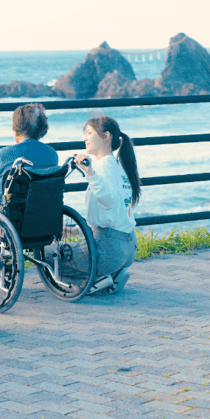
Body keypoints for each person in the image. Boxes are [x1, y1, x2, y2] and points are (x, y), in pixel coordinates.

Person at [73, 116, 141, 294]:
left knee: (51, 258)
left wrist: (89, 173)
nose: (84, 138)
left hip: (109, 249)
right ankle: (113, 273)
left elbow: (108, 201)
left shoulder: (102, 168)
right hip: (127, 246)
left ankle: (99, 280)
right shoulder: (119, 168)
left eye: (89, 133)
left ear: (105, 136)